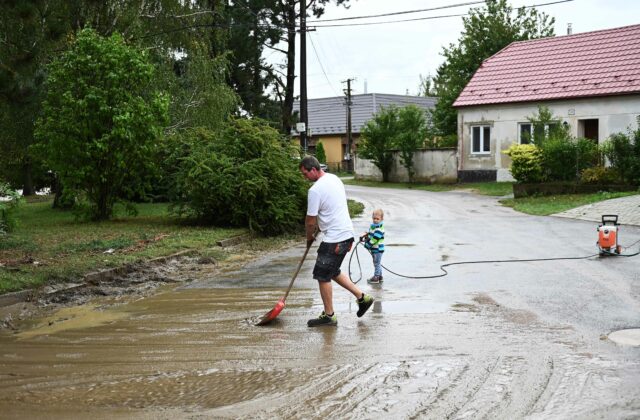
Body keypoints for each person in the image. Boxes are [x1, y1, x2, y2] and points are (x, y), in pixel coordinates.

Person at [299, 156, 374, 327]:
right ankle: (363, 298)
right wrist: (320, 226)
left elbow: (310, 220)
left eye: (305, 174)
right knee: (332, 271)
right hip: (346, 234)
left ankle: (329, 315)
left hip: (335, 237)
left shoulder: (315, 190)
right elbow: (329, 208)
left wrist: (309, 237)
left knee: (321, 274)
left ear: (313, 169)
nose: (305, 177)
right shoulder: (334, 178)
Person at [360, 208, 385, 284]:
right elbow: (371, 234)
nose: (375, 220)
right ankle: (380, 276)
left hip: (378, 249)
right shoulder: (373, 227)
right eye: (374, 218)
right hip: (374, 249)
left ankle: (376, 277)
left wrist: (367, 245)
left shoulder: (379, 229)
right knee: (376, 262)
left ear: (381, 219)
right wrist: (366, 235)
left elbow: (374, 239)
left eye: (377, 219)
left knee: (376, 263)